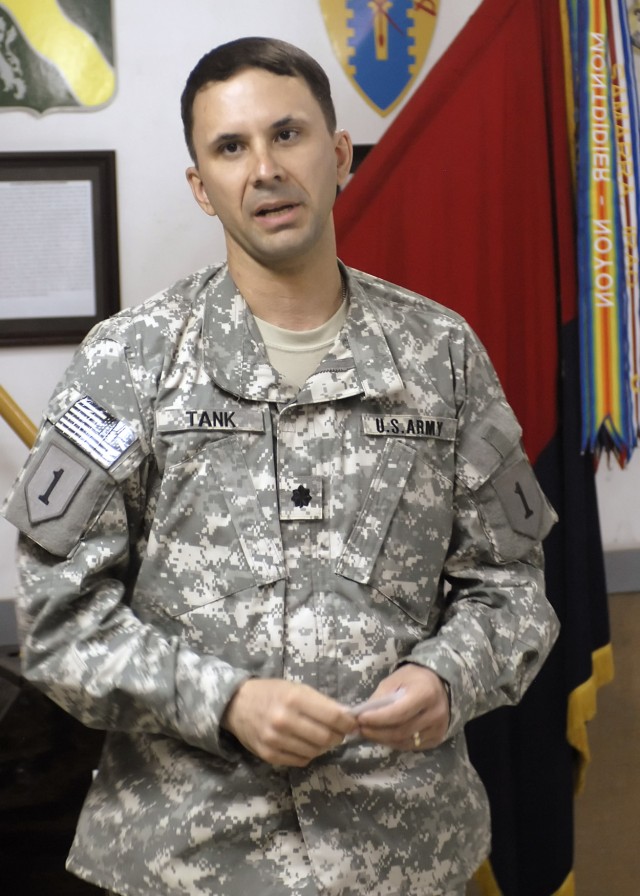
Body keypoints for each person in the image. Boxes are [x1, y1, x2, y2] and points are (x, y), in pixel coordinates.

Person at [2, 36, 559, 896]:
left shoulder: (440, 353)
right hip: (186, 860)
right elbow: (56, 623)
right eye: (230, 147)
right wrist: (222, 701)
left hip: (405, 854)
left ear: (339, 155)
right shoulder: (129, 360)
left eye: (288, 134)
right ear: (201, 185)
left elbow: (513, 587)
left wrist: (450, 675)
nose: (263, 169)